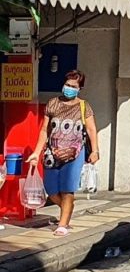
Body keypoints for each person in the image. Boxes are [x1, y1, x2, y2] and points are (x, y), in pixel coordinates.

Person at [27, 70, 100, 237]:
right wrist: (36, 152)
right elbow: (44, 130)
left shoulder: (84, 106)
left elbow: (91, 129)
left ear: (79, 88)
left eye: (73, 86)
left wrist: (95, 151)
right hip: (51, 154)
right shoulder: (53, 103)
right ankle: (67, 209)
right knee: (51, 190)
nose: (69, 88)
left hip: (75, 154)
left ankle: (63, 224)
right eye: (67, 85)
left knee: (68, 189)